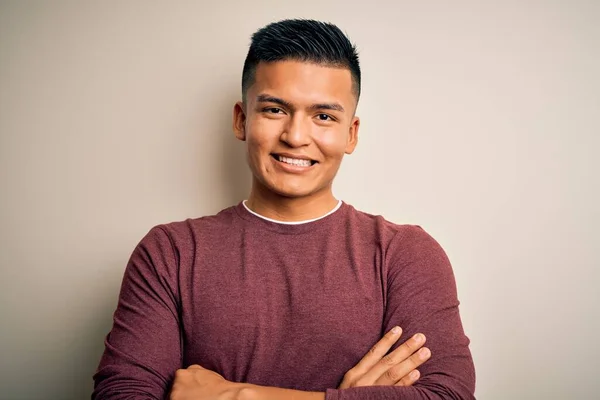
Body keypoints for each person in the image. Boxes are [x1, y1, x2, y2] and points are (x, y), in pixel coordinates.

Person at [93, 19, 476, 400]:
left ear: (351, 134)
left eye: (323, 116)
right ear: (242, 120)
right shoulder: (171, 253)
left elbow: (450, 396)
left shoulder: (404, 254)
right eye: (275, 110)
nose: (295, 136)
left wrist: (241, 396)